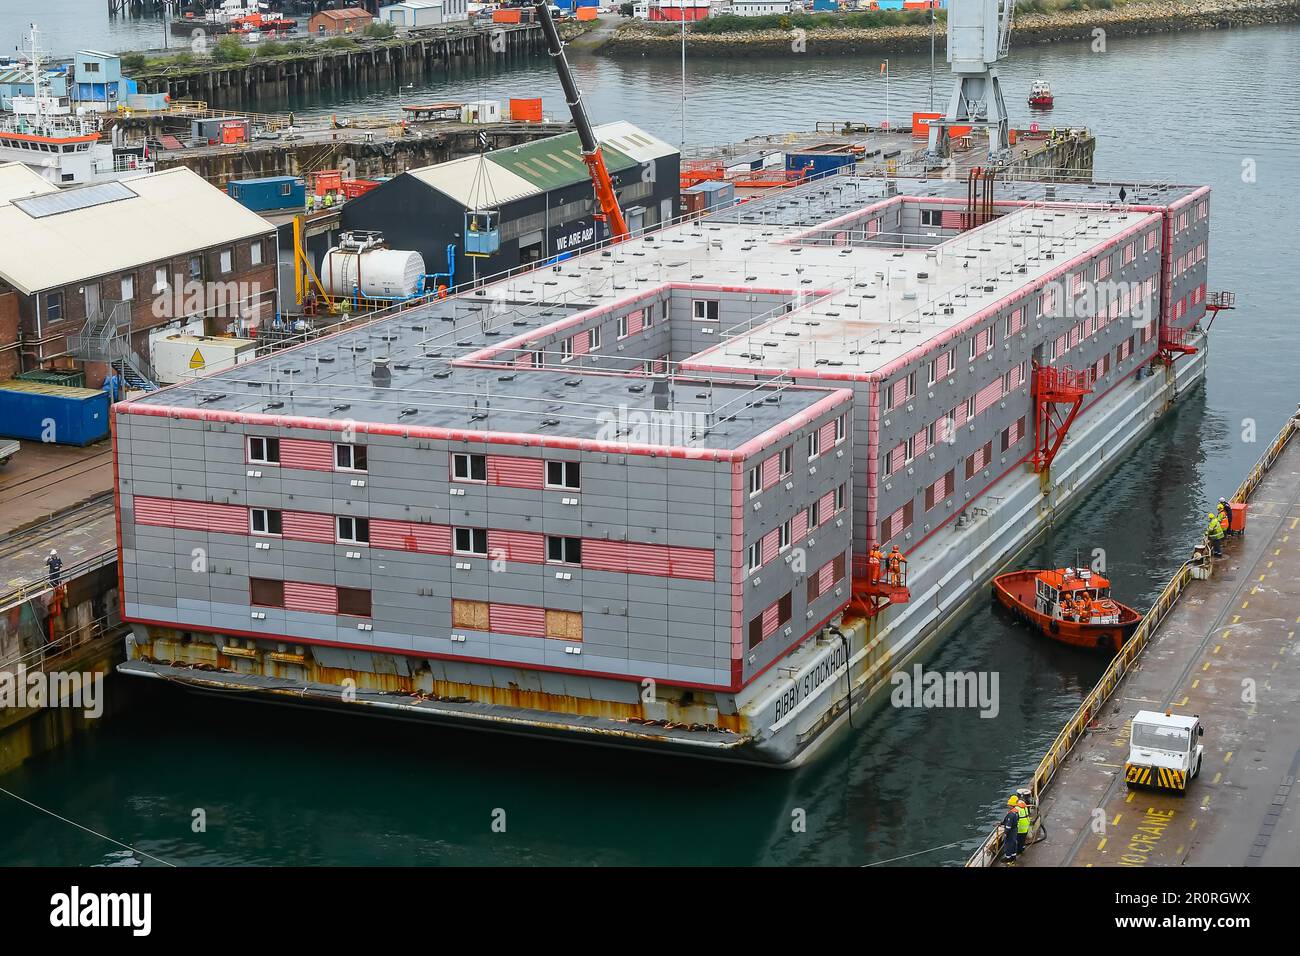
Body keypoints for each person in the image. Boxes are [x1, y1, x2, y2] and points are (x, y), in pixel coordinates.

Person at [1002, 796, 1020, 863]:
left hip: (1010, 831)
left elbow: (1008, 826)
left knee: (1008, 844)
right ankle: (1013, 856)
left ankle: (1008, 858)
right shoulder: (1016, 812)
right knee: (1013, 843)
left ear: (1011, 805)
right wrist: (1001, 823)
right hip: (1015, 830)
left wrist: (1005, 833)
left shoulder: (1010, 814)